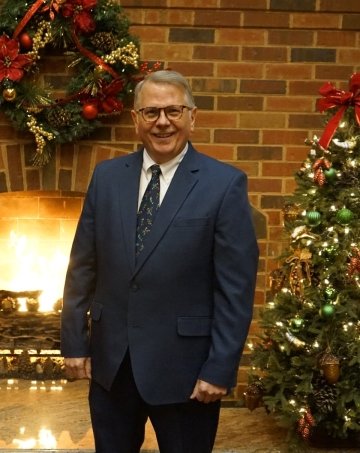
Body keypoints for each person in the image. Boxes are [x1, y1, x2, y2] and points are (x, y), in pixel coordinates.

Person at [61, 70, 259, 453]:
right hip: (112, 369)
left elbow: (235, 289)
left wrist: (220, 367)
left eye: (173, 110)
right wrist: (73, 342)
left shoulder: (225, 184)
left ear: (192, 117)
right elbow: (82, 266)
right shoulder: (106, 178)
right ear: (136, 119)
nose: (163, 122)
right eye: (151, 112)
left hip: (186, 372)